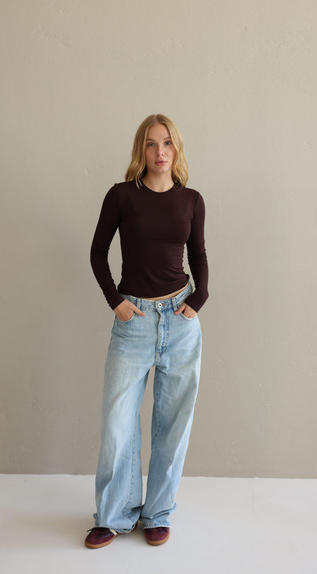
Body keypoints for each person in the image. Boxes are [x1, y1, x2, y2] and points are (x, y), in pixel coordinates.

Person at [85, 114, 209, 549]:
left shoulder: (191, 200)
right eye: (152, 143)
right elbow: (98, 252)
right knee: (118, 423)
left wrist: (200, 297)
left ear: (176, 149)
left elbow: (198, 253)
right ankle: (114, 515)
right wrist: (115, 301)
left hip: (180, 321)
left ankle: (157, 513)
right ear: (141, 149)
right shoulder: (121, 196)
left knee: (173, 425)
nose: (160, 152)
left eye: (167, 143)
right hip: (133, 320)